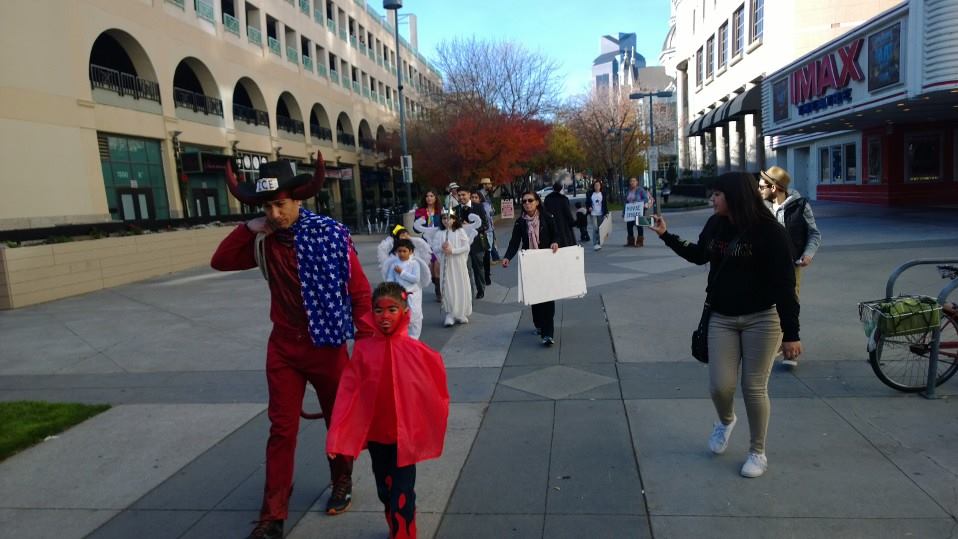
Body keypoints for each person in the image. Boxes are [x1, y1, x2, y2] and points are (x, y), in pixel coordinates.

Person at [212, 154, 373, 539]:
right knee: (281, 430)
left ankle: (342, 481)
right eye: (267, 205)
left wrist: (367, 344)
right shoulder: (263, 239)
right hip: (284, 348)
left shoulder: (330, 234)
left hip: (327, 345)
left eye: (280, 204)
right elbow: (220, 261)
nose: (274, 212)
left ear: (298, 200)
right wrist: (250, 226)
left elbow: (360, 293)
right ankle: (273, 515)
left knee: (339, 422)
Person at [650, 172, 802, 479]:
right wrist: (666, 235)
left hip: (763, 318)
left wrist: (792, 333)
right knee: (720, 386)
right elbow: (698, 254)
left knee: (753, 387)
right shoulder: (715, 225)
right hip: (721, 316)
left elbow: (785, 286)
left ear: (734, 196)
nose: (712, 199)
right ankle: (726, 420)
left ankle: (757, 452)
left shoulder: (770, 232)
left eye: (716, 194)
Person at [326, 282, 449, 539]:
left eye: (392, 309)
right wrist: (337, 436)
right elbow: (348, 394)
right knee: (385, 489)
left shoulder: (418, 352)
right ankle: (395, 526)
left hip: (404, 439)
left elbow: (433, 393)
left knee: (403, 494)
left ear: (404, 311)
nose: (384, 317)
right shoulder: (363, 351)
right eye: (378, 311)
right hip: (377, 437)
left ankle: (404, 533)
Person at [759, 166, 821, 367]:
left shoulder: (800, 205)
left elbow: (814, 233)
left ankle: (790, 350)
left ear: (775, 187)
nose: (759, 190)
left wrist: (808, 254)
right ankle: (777, 343)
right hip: (765, 264)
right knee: (768, 305)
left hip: (791, 264)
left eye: (762, 187)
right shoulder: (760, 206)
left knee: (789, 303)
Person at [501, 191, 562, 346]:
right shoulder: (520, 222)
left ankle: (548, 333)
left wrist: (555, 242)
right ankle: (539, 324)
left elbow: (557, 234)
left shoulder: (547, 218)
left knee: (547, 296)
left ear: (537, 202)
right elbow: (514, 242)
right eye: (524, 201)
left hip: (546, 261)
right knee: (535, 297)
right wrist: (507, 257)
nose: (527, 203)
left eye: (530, 200)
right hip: (530, 262)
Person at [416, 210, 480, 327]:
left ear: (454, 219)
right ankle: (450, 313)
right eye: (444, 218)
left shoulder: (460, 231)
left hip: (458, 264)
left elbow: (466, 247)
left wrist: (453, 251)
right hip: (446, 264)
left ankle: (461, 313)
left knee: (460, 285)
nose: (446, 221)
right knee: (448, 286)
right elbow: (434, 248)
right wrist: (441, 248)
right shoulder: (440, 233)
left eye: (449, 218)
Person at [382, 238, 428, 339]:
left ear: (411, 251)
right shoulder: (394, 264)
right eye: (399, 251)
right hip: (399, 296)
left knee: (414, 317)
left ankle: (414, 339)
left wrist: (402, 273)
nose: (402, 253)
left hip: (413, 294)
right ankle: (404, 339)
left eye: (404, 251)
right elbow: (390, 279)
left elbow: (415, 279)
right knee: (401, 317)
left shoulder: (414, 264)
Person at [456, 186, 488, 299]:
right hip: (462, 245)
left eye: (463, 194)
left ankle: (481, 289)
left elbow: (485, 225)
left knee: (478, 268)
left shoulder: (478, 206)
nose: (461, 197)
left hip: (477, 243)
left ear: (469, 194)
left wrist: (469, 227)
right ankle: (469, 292)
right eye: (459, 195)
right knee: (466, 269)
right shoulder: (456, 209)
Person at [414, 190, 444, 301]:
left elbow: (446, 224)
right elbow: (415, 229)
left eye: (431, 196)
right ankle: (436, 283)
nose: (429, 198)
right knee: (430, 268)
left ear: (435, 197)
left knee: (437, 266)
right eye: (427, 196)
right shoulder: (420, 211)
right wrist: (420, 221)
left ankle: (439, 291)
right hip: (425, 242)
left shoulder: (440, 211)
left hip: (438, 241)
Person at [470, 190, 494, 287]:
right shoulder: (470, 208)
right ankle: (483, 277)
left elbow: (488, 221)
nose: (474, 199)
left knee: (486, 255)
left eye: (476, 197)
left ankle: (487, 275)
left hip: (485, 234)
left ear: (480, 198)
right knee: (479, 259)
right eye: (473, 197)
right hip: (475, 236)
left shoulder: (484, 206)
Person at [543, 181, 577, 248]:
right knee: (565, 245)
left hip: (551, 225)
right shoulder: (563, 199)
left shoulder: (547, 198)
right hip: (564, 226)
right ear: (561, 188)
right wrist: (573, 222)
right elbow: (568, 213)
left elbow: (545, 212)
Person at [478, 177, 501, 262]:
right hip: (485, 222)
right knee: (488, 241)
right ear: (484, 185)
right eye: (488, 184)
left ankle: (495, 257)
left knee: (492, 240)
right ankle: (489, 259)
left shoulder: (487, 194)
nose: (490, 186)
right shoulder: (480, 194)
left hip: (490, 222)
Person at [623, 177, 650, 247]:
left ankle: (640, 242)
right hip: (630, 212)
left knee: (639, 226)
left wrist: (638, 201)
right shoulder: (628, 191)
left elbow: (646, 199)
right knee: (629, 226)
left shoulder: (640, 190)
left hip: (638, 211)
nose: (632, 182)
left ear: (637, 182)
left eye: (634, 181)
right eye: (631, 181)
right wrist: (624, 213)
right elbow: (626, 202)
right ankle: (630, 241)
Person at [589, 180, 609, 251]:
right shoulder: (590, 193)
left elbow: (605, 204)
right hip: (593, 213)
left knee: (600, 229)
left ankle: (599, 242)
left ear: (600, 186)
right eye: (595, 185)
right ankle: (595, 244)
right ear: (594, 186)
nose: (597, 187)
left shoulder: (603, 194)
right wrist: (589, 207)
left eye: (598, 185)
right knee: (595, 228)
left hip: (601, 213)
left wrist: (606, 213)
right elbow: (587, 202)